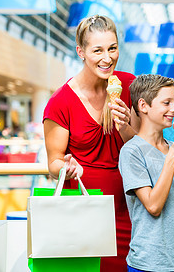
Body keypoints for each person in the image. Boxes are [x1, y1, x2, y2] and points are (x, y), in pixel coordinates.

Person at [43, 15, 138, 271]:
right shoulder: (60, 102)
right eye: (97, 50)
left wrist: (126, 126)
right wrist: (64, 167)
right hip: (85, 213)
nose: (107, 58)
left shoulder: (130, 85)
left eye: (112, 48)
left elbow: (145, 149)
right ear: (81, 52)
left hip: (134, 207)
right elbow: (53, 162)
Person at [119, 74, 174, 271]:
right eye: (166, 103)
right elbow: (153, 205)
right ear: (143, 106)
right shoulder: (132, 151)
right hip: (148, 263)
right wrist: (172, 159)